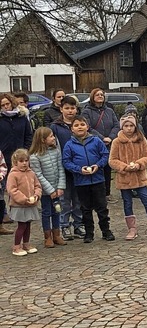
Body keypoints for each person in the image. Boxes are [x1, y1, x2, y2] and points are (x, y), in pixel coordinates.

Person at [109, 115, 147, 240]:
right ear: (122, 127)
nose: (129, 128)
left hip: (140, 178)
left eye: (131, 126)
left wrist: (139, 164)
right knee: (127, 203)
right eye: (126, 126)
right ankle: (132, 229)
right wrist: (124, 167)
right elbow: (112, 160)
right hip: (125, 179)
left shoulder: (141, 139)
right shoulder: (116, 142)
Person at [62, 115, 115, 243]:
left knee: (102, 207)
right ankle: (89, 233)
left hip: (98, 179)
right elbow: (66, 161)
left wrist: (98, 165)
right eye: (76, 125)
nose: (79, 127)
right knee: (85, 209)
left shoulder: (96, 141)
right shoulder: (69, 145)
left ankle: (106, 230)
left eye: (82, 124)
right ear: (72, 129)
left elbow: (105, 155)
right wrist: (79, 170)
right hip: (81, 181)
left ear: (87, 127)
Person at [50, 96, 85, 241]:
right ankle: (64, 225)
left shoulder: (80, 124)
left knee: (78, 199)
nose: (70, 111)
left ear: (76, 109)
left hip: (79, 168)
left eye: (72, 108)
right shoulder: (55, 126)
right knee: (64, 199)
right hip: (63, 168)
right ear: (61, 109)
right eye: (67, 108)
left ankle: (78, 224)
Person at [28, 127, 67, 248]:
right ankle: (47, 236)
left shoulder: (56, 151)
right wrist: (49, 190)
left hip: (56, 188)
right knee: (46, 212)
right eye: (51, 136)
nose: (53, 138)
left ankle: (57, 234)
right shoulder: (34, 156)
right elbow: (38, 175)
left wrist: (60, 186)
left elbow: (60, 168)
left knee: (57, 210)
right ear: (43, 139)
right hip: (45, 191)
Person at [81, 88, 120, 204]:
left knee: (108, 169)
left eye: (102, 95)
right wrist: (102, 138)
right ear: (92, 97)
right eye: (97, 95)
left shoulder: (109, 111)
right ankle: (95, 195)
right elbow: (88, 128)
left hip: (109, 144)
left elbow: (116, 125)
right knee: (96, 168)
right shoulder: (86, 111)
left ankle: (107, 193)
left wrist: (111, 137)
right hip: (94, 144)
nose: (100, 96)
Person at [0, 93, 33, 227]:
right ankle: (3, 214)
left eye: (7, 104)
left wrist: (25, 151)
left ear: (12, 103)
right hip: (3, 157)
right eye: (2, 105)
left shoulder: (22, 117)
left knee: (20, 185)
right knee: (3, 188)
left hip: (20, 157)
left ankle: (20, 210)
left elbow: (28, 134)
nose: (5, 107)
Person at [7, 149, 42, 256]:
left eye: (26, 161)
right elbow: (12, 190)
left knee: (28, 224)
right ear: (15, 162)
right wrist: (24, 199)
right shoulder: (13, 175)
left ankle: (26, 243)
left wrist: (36, 195)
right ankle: (16, 246)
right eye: (21, 161)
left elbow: (37, 186)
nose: (24, 163)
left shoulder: (31, 173)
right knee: (22, 225)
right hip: (19, 205)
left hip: (31, 204)